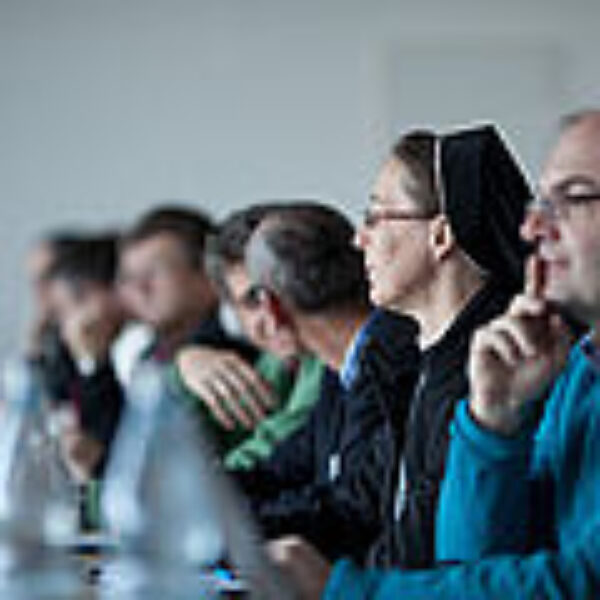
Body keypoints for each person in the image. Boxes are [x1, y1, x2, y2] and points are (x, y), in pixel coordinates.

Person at [271, 112, 600, 598]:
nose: (532, 227)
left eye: (572, 197)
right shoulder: (569, 368)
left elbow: (586, 581)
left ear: (442, 235)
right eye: (540, 203)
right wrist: (492, 424)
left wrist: (345, 592)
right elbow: (474, 564)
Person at [235, 201, 419, 560]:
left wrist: (231, 523)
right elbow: (281, 470)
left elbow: (356, 509)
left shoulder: (394, 362)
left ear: (272, 308)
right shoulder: (338, 368)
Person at [175, 203, 324, 468]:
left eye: (282, 286)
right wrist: (184, 367)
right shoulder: (271, 365)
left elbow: (264, 456)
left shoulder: (330, 362)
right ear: (233, 314)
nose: (273, 314)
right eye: (253, 300)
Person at [118, 205, 256, 365]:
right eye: (129, 277)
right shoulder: (136, 357)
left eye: (153, 272)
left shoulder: (252, 342)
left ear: (208, 274)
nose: (139, 288)